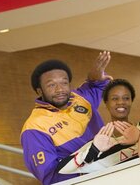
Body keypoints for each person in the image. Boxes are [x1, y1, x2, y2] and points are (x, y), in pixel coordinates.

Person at [21, 52, 111, 185]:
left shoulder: (80, 98)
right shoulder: (34, 128)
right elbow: (51, 177)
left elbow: (98, 85)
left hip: (112, 172)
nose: (60, 90)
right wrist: (92, 169)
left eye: (64, 83)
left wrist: (94, 77)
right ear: (39, 91)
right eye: (51, 85)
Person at [58, 79, 140, 174]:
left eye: (126, 98)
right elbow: (62, 169)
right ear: (106, 103)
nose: (121, 102)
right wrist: (94, 149)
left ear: (131, 101)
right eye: (114, 98)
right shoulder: (98, 143)